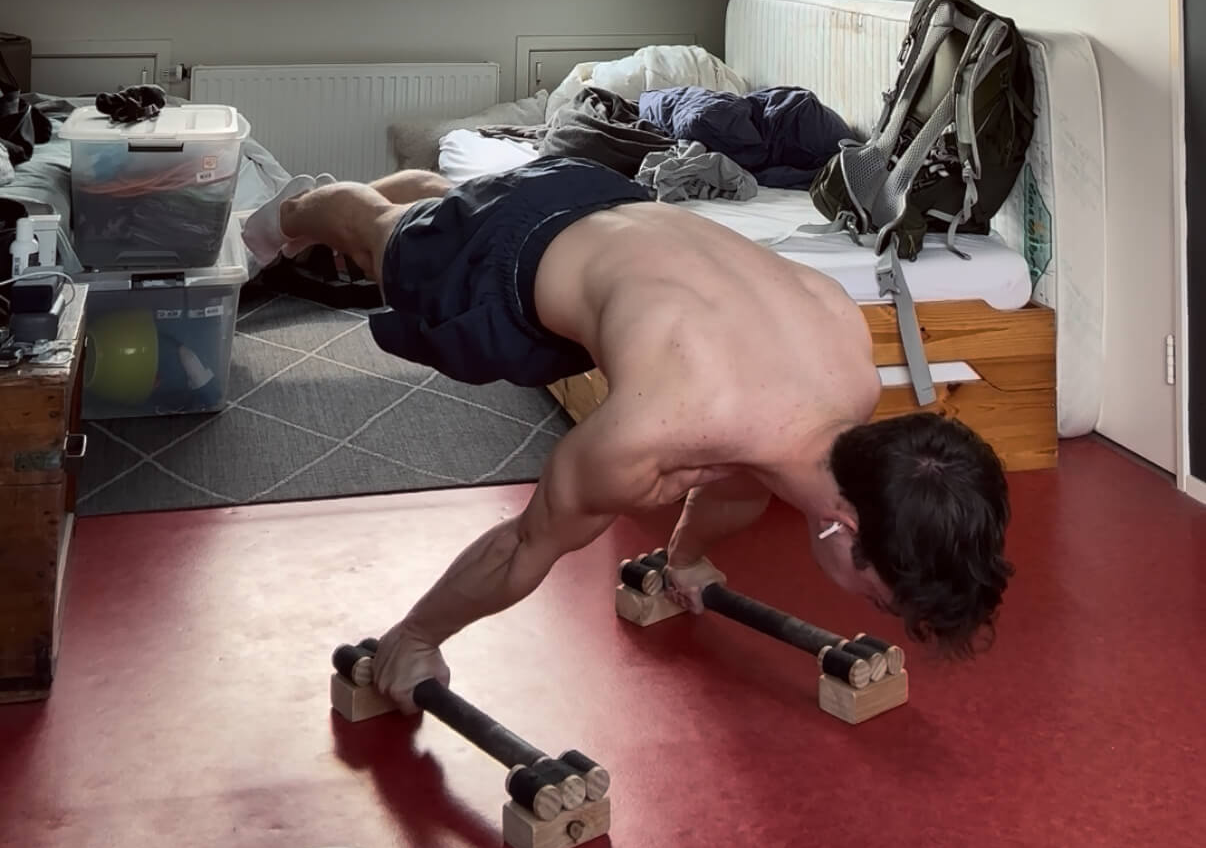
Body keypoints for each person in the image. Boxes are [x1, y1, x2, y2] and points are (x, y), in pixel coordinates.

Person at [243, 156, 1014, 713]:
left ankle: (439, 209)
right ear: (841, 526)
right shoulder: (657, 432)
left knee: (445, 214)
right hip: (512, 263)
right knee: (380, 242)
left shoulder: (848, 382)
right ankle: (290, 210)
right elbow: (524, 545)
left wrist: (684, 555)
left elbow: (748, 483)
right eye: (875, 597)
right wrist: (415, 637)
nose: (867, 605)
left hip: (599, 195)